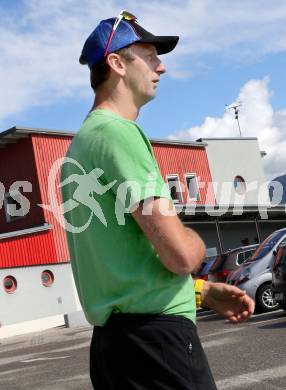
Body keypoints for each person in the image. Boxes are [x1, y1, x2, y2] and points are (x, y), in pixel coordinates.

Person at [61, 11, 255, 390]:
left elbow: (125, 268)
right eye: (149, 55)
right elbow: (180, 256)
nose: (161, 67)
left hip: (113, 348)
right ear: (116, 63)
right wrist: (196, 244)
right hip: (156, 345)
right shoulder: (119, 134)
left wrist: (203, 290)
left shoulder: (81, 146)